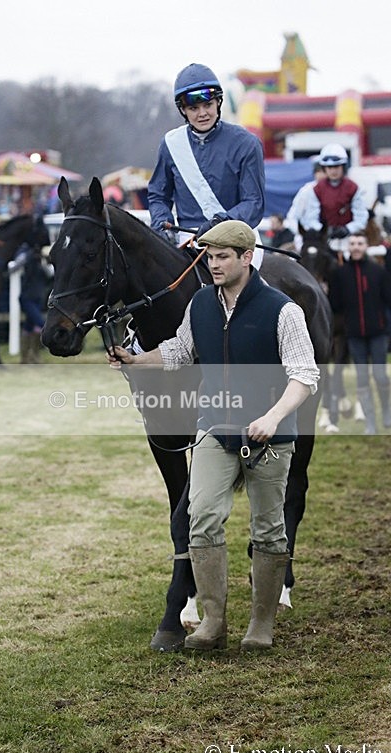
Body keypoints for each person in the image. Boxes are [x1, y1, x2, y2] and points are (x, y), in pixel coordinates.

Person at [108, 221, 319, 652]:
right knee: (200, 518)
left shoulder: (284, 311)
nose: (214, 265)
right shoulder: (201, 304)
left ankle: (261, 624)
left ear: (246, 257)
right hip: (214, 428)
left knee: (268, 530)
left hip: (269, 437)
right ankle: (212, 622)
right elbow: (178, 351)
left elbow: (304, 375)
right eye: (209, 257)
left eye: (222, 256)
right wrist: (136, 359)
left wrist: (274, 417)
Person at [147, 63, 266, 268]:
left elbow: (253, 203)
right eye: (193, 108)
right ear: (183, 110)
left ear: (218, 102)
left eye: (208, 105)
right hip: (186, 241)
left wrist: (220, 222)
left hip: (236, 238)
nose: (202, 113)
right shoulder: (170, 144)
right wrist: (162, 225)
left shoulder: (247, 143)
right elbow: (158, 195)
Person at [329, 232, 391, 434]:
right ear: (348, 247)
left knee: (381, 375)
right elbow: (335, 304)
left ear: (366, 246)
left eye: (360, 243)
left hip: (378, 333)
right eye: (353, 244)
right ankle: (370, 423)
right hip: (354, 335)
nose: (356, 247)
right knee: (362, 379)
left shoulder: (378, 272)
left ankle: (386, 409)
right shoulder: (341, 274)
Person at [303, 144, 369, 254]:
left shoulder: (354, 188)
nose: (333, 171)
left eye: (336, 167)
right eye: (329, 168)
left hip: (351, 240)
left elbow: (361, 217)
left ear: (344, 167)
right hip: (325, 239)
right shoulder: (316, 189)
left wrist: (347, 229)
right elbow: (310, 218)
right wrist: (325, 230)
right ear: (324, 169)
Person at [284, 161, 326, 251]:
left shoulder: (334, 190)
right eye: (319, 171)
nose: (322, 175)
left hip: (326, 238)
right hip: (306, 239)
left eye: (324, 171)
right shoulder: (306, 191)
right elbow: (292, 216)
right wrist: (302, 233)